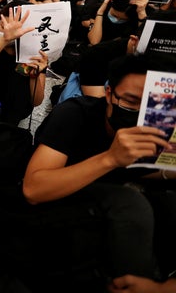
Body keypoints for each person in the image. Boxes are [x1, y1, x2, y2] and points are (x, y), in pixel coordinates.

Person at [16, 53, 176, 292]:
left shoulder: (161, 128)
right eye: (131, 102)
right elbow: (33, 189)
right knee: (131, 203)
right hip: (58, 205)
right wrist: (110, 159)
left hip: (105, 201)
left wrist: (166, 171)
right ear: (109, 94)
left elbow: (138, 169)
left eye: (152, 106)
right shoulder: (74, 114)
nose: (141, 114)